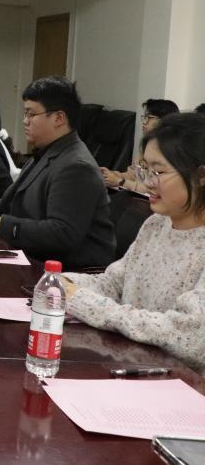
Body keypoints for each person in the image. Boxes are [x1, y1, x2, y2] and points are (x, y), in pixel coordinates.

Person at [63, 114, 205, 371]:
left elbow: (189, 338)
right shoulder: (156, 224)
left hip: (182, 384)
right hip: (132, 363)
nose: (147, 183)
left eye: (158, 172)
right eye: (145, 170)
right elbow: (114, 284)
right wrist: (64, 283)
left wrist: (85, 303)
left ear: (201, 175)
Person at [0, 76, 115, 270]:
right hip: (33, 256)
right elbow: (12, 203)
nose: (25, 121)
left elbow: (62, 234)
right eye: (25, 113)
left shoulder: (76, 166)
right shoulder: (46, 152)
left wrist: (0, 223)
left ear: (59, 118)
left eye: (31, 114)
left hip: (67, 273)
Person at [100, 98, 179, 191]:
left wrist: (121, 182)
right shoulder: (147, 146)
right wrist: (111, 175)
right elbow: (132, 175)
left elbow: (154, 190)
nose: (144, 122)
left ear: (164, 120)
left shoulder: (170, 152)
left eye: (149, 117)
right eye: (144, 117)